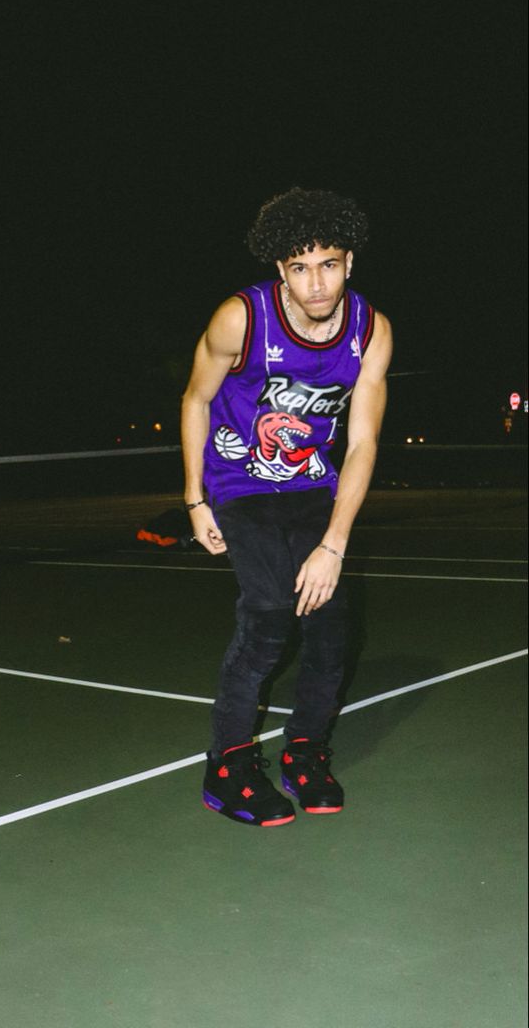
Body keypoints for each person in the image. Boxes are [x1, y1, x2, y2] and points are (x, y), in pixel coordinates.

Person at [181, 186, 392, 827]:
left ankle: (305, 750)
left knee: (329, 629)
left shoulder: (371, 331)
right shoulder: (240, 319)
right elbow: (195, 399)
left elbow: (362, 442)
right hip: (240, 483)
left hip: (311, 487)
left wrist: (335, 543)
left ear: (349, 262)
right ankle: (228, 767)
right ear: (281, 270)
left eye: (328, 263)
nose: (316, 283)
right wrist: (194, 498)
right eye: (299, 268)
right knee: (270, 616)